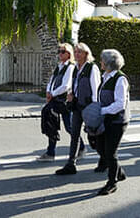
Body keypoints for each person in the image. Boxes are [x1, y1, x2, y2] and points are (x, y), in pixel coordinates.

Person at [55, 43, 101, 175]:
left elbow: (95, 90)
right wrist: (70, 93)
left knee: (94, 134)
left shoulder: (92, 68)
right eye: (75, 52)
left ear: (86, 53)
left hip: (88, 107)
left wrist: (94, 108)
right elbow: (73, 84)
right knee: (74, 134)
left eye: (79, 52)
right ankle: (71, 163)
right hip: (76, 106)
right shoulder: (76, 67)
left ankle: (105, 158)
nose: (76, 54)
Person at [37, 43, 85, 161]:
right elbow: (51, 81)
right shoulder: (59, 66)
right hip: (54, 99)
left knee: (69, 127)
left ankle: (81, 147)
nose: (60, 54)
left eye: (62, 51)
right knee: (51, 124)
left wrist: (52, 93)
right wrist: (48, 91)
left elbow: (66, 85)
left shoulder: (70, 67)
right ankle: (50, 152)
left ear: (68, 54)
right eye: (59, 51)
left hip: (63, 101)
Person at [95, 49, 130, 195]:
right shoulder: (105, 76)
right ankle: (119, 172)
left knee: (110, 152)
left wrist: (101, 111)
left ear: (108, 63)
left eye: (102, 60)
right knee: (101, 148)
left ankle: (112, 183)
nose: (100, 62)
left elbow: (120, 104)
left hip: (118, 121)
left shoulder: (120, 79)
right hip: (106, 119)